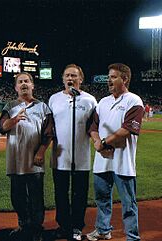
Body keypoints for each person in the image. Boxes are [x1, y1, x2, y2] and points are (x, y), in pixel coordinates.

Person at [87, 63, 144, 241]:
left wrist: (102, 143)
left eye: (113, 77)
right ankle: (103, 230)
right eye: (109, 77)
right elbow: (93, 126)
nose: (109, 80)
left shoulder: (134, 101)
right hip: (102, 161)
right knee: (102, 199)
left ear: (125, 79)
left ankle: (132, 237)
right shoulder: (103, 102)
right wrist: (97, 141)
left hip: (123, 161)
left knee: (128, 203)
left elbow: (127, 130)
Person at [0, 72, 54, 241]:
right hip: (15, 160)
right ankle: (24, 225)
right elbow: (2, 128)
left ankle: (36, 228)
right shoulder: (9, 106)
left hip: (34, 161)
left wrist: (40, 152)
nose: (23, 84)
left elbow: (48, 133)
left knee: (36, 197)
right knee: (17, 196)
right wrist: (14, 120)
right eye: (20, 82)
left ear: (32, 85)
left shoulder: (43, 107)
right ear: (15, 87)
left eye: (27, 81)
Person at [48, 64, 97, 241]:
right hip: (59, 157)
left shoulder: (90, 100)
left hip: (81, 157)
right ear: (62, 79)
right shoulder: (53, 99)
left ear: (81, 79)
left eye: (74, 76)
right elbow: (49, 127)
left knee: (79, 194)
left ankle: (76, 227)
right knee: (60, 194)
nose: (70, 79)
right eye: (67, 76)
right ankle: (63, 226)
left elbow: (94, 126)